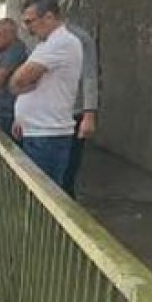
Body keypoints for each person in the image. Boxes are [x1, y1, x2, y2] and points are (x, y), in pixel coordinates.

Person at [10, 0, 83, 185]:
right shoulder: (47, 44)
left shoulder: (61, 43)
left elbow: (19, 79)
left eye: (29, 21)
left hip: (47, 136)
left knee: (40, 198)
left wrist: (17, 83)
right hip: (37, 132)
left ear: (49, 17)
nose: (27, 29)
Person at [63, 22, 99, 195]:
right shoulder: (42, 40)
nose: (27, 28)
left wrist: (89, 114)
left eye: (31, 21)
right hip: (47, 118)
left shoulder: (79, 38)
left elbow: (89, 76)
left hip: (72, 113)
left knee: (67, 171)